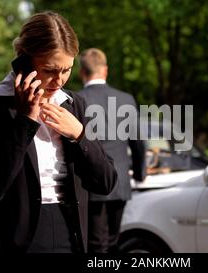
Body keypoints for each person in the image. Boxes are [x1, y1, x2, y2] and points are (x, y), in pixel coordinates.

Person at [0, 12, 117, 253]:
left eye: (67, 70)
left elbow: (106, 182)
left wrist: (79, 135)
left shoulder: (74, 105)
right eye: (49, 70)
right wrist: (26, 120)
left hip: (72, 231)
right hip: (17, 239)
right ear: (23, 60)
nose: (59, 81)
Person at [78, 48, 146, 253]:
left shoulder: (77, 100)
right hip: (120, 182)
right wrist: (140, 172)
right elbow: (137, 142)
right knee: (114, 242)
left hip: (89, 184)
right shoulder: (126, 99)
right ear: (105, 71)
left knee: (95, 243)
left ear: (82, 72)